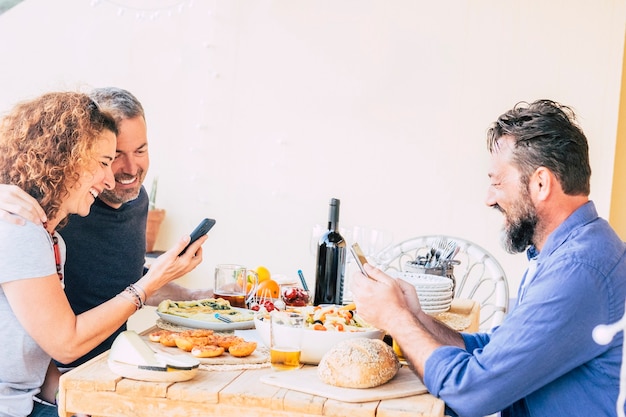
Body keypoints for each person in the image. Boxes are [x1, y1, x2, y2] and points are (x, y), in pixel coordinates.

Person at [351, 99, 626, 417]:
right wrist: (415, 316)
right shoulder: (574, 249)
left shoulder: (578, 271)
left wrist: (394, 319)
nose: (488, 198)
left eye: (497, 182)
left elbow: (472, 391)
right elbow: (496, 351)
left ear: (540, 183)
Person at [0, 92, 207, 417]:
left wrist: (75, 401)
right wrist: (147, 285)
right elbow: (65, 345)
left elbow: (36, 364)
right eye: (104, 162)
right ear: (64, 158)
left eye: (139, 151)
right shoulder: (18, 227)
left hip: (47, 394)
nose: (113, 176)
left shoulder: (52, 239)